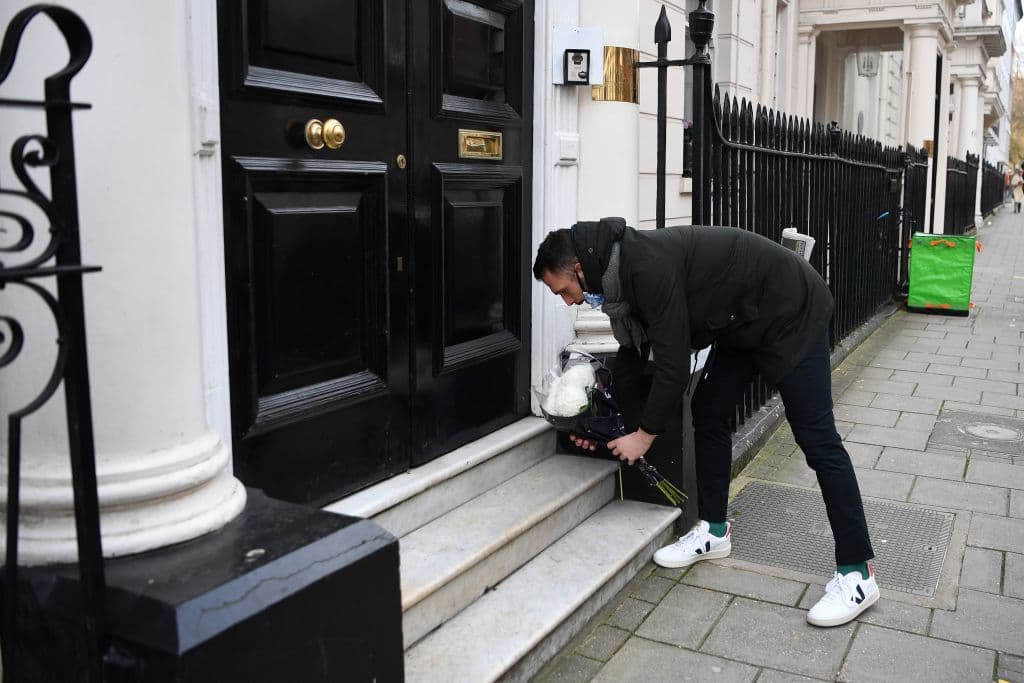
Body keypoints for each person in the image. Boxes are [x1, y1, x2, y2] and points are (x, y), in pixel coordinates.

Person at [533, 218, 879, 628]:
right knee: (710, 412)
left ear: (577, 269)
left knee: (817, 440)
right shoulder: (617, 278)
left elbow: (674, 365)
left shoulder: (643, 269)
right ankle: (714, 530)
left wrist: (644, 438)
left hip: (790, 309)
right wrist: (618, 428)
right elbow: (631, 357)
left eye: (565, 292)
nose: (570, 302)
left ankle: (858, 574)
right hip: (742, 320)